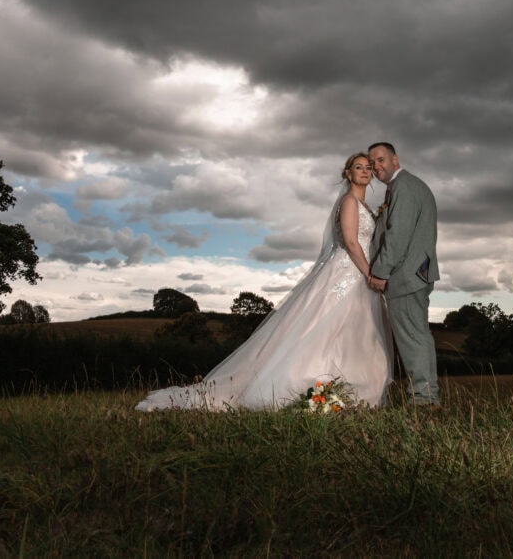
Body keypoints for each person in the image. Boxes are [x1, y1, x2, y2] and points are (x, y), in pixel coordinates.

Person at [135, 152, 393, 411]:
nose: (364, 171)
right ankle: (319, 386)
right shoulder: (349, 202)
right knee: (327, 330)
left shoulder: (364, 206)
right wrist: (369, 274)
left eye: (368, 167)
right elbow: (350, 242)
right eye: (358, 167)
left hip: (358, 273)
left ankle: (355, 389)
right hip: (349, 271)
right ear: (348, 173)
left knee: (354, 331)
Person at [366, 142, 440, 406]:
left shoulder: (404, 186)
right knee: (418, 336)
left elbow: (398, 236)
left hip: (406, 274)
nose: (376, 167)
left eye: (381, 160)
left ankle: (423, 400)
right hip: (415, 272)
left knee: (412, 339)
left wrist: (380, 271)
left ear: (395, 159)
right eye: (372, 163)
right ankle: (427, 396)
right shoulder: (406, 186)